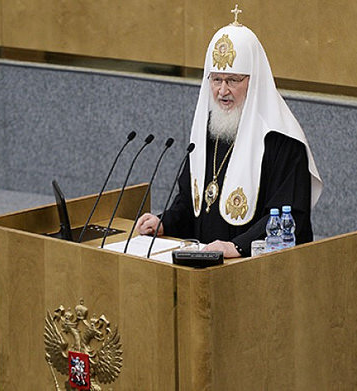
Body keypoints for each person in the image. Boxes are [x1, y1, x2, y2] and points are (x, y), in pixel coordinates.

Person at [137, 8, 322, 258]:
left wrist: (237, 246)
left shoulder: (282, 141)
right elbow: (191, 203)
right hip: (205, 266)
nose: (223, 91)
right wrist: (164, 223)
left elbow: (290, 217)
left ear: (254, 82)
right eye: (216, 80)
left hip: (256, 270)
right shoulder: (208, 131)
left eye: (233, 80)